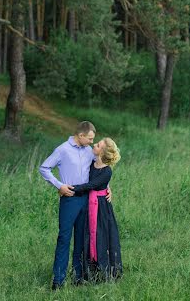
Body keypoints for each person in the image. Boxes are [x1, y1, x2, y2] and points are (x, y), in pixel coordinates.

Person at [39, 121, 111, 289]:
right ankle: (58, 280)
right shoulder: (62, 150)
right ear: (81, 136)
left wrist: (108, 187)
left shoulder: (88, 151)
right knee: (64, 238)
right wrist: (59, 186)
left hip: (86, 200)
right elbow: (44, 168)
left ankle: (78, 277)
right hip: (70, 199)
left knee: (81, 239)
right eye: (90, 138)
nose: (92, 142)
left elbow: (100, 169)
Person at [72, 137, 122, 282]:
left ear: (103, 151)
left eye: (98, 144)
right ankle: (88, 271)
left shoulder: (107, 172)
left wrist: (71, 189)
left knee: (101, 236)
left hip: (101, 208)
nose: (95, 144)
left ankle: (105, 271)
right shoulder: (91, 164)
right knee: (88, 235)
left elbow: (91, 185)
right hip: (88, 204)